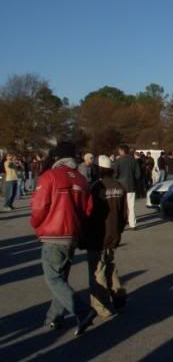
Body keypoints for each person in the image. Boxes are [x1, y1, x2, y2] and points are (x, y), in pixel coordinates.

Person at [30, 141, 96, 336]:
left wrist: (36, 224)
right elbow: (88, 209)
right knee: (61, 278)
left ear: (57, 157)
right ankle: (54, 318)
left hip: (54, 233)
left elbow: (39, 207)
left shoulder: (50, 176)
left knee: (53, 278)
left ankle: (82, 311)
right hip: (72, 233)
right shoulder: (81, 179)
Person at [81, 155, 128, 318]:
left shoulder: (95, 187)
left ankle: (101, 306)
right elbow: (124, 214)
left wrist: (83, 235)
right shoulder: (119, 186)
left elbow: (88, 213)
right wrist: (118, 231)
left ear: (98, 169)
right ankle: (118, 294)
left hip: (97, 236)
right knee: (109, 265)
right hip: (113, 234)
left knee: (98, 271)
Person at [113, 144, 141, 230]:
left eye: (119, 150)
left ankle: (120, 223)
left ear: (122, 151)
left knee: (120, 206)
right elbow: (138, 175)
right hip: (131, 185)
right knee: (131, 206)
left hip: (120, 185)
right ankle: (133, 224)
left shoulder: (118, 161)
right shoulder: (134, 161)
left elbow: (115, 174)